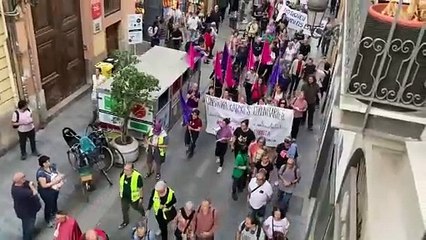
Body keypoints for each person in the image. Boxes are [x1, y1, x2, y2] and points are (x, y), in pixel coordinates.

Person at [11, 172, 41, 240]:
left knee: (29, 223)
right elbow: (34, 192)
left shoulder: (20, 183)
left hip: (30, 209)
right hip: (26, 212)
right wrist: (31, 186)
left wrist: (30, 184)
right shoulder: (19, 191)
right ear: (19, 180)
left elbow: (29, 182)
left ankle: (32, 229)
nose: (24, 178)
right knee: (28, 226)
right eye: (23, 178)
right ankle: (27, 237)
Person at [37, 155, 63, 227]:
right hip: (46, 192)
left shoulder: (52, 167)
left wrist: (60, 178)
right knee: (48, 204)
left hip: (55, 188)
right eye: (47, 162)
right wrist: (55, 182)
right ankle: (48, 219)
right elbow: (44, 185)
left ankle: (55, 212)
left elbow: (58, 173)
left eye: (49, 161)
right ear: (43, 164)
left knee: (54, 200)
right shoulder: (41, 173)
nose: (49, 163)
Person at [119, 163, 145, 230]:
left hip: (134, 198)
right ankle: (125, 222)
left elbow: (140, 188)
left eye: (127, 170)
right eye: (124, 169)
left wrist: (141, 198)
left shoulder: (137, 177)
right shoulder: (122, 174)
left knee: (136, 207)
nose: (125, 171)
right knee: (124, 209)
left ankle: (143, 213)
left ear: (132, 170)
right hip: (124, 197)